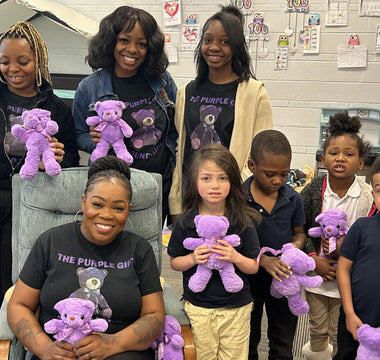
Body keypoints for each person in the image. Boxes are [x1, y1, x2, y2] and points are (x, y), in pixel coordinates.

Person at [7, 155, 164, 360]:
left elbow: (154, 316)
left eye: (118, 208)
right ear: (84, 201)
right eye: (97, 204)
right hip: (58, 353)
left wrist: (113, 344)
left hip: (123, 352)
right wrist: (45, 348)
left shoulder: (139, 250)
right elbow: (19, 305)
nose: (107, 215)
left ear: (128, 210)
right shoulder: (51, 241)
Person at [73, 6, 177, 223]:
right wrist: (95, 142)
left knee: (148, 249)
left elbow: (176, 129)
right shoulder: (89, 87)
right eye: (124, 40)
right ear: (111, 41)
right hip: (110, 189)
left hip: (158, 184)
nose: (132, 49)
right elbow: (78, 134)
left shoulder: (162, 81)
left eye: (141, 44)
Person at [168, 5, 272, 218]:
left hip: (232, 198)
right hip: (191, 196)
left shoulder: (254, 93)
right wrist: (176, 202)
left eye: (224, 42)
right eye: (208, 40)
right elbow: (180, 150)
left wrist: (235, 191)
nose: (214, 47)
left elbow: (260, 152)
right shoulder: (185, 92)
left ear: (236, 47)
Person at [0, 21, 79, 302]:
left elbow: (70, 158)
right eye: (5, 62)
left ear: (39, 61)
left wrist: (58, 156)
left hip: (32, 202)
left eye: (23, 61)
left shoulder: (56, 108)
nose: (13, 69)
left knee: (24, 281)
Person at [168, 144, 261, 360]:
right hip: (198, 307)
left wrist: (235, 257)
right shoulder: (186, 220)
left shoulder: (243, 221)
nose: (215, 185)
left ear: (232, 182)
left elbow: (253, 266)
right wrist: (192, 258)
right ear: (194, 182)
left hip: (236, 309)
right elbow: (174, 262)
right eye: (206, 178)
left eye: (222, 178)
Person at [301, 111, 376, 360]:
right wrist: (315, 259)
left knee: (340, 332)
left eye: (349, 154)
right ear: (323, 159)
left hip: (349, 283)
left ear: (361, 162)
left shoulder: (368, 197)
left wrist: (347, 246)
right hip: (318, 278)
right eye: (333, 153)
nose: (340, 158)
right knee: (318, 328)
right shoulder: (313, 191)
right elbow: (302, 229)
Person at [243, 130, 306, 360]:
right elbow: (235, 245)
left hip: (285, 281)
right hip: (247, 282)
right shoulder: (238, 199)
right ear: (252, 165)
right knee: (247, 341)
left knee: (282, 343)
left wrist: (294, 247)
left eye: (284, 174)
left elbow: (299, 234)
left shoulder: (293, 199)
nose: (278, 181)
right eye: (270, 174)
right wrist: (263, 260)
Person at [333, 155, 380, 359]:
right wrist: (350, 314)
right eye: (379, 190)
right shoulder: (362, 227)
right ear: (373, 193)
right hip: (355, 321)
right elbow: (342, 268)